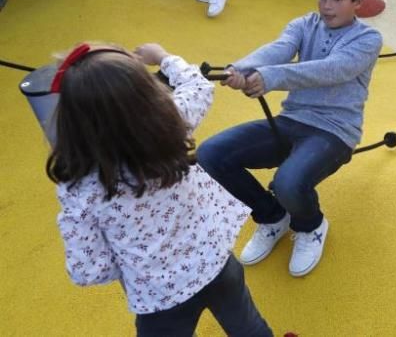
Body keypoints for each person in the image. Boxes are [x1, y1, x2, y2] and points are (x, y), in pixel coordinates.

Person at [46, 42, 272, 335]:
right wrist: (164, 58)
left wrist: (133, 263)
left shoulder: (79, 188)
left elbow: (87, 269)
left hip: (159, 296)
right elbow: (199, 87)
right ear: (149, 96)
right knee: (249, 328)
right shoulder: (172, 124)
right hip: (215, 261)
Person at [198, 0, 383, 277]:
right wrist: (239, 70)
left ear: (358, 1)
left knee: (287, 182)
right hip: (292, 121)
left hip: (334, 133)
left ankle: (310, 225)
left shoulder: (368, 40)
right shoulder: (304, 24)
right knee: (211, 154)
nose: (327, 6)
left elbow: (332, 69)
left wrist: (268, 77)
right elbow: (277, 49)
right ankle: (272, 217)